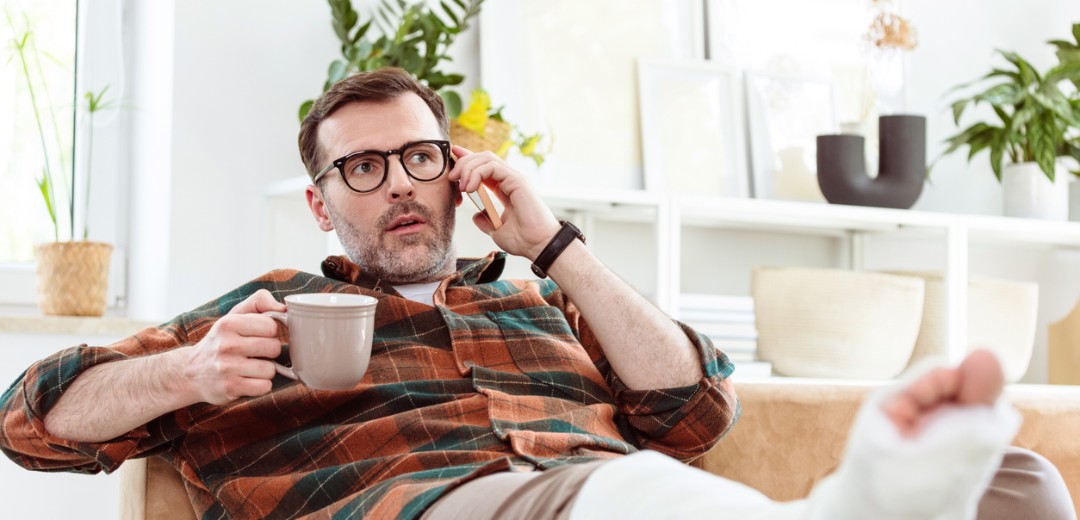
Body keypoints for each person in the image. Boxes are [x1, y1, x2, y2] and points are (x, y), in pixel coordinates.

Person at [0, 68, 1073, 520]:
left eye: (418, 157)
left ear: (455, 169)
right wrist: (189, 369)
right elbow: (28, 420)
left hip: (606, 496)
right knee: (621, 490)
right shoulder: (258, 316)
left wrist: (555, 245)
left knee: (1016, 482)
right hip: (440, 505)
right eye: (360, 170)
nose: (398, 188)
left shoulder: (540, 296)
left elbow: (694, 412)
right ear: (323, 206)